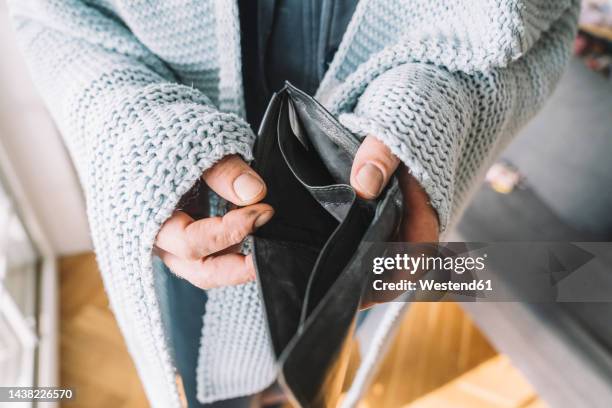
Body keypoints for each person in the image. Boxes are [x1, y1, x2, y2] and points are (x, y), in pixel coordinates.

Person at [8, 0, 579, 406]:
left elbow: (543, 16)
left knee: (322, 350)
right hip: (189, 217)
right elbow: (49, 16)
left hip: (368, 219)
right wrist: (139, 131)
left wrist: (434, 112)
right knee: (214, 376)